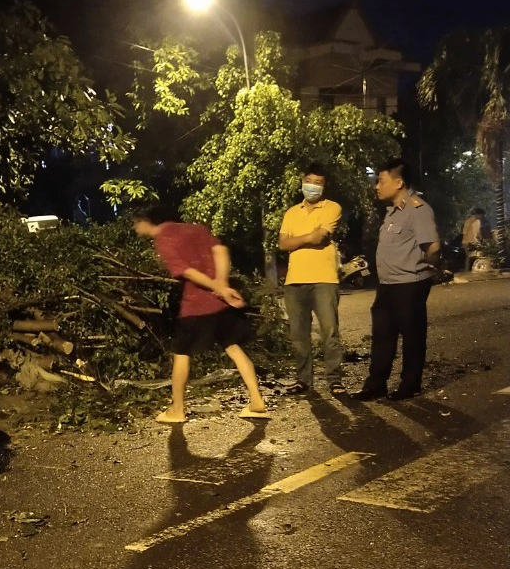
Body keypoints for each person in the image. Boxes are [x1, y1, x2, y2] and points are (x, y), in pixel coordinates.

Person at [131, 205, 269, 423]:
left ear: (144, 221)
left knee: (181, 353)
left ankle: (177, 409)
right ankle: (257, 400)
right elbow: (221, 250)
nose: (136, 230)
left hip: (197, 305)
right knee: (233, 347)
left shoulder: (163, 238)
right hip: (222, 304)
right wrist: (222, 284)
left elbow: (188, 271)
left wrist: (219, 287)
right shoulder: (196, 229)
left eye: (135, 225)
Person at [352, 158, 440, 401]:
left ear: (399, 182)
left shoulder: (417, 209)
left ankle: (410, 384)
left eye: (381, 181)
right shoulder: (393, 211)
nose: (376, 186)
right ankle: (375, 385)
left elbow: (432, 246)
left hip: (410, 283)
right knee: (382, 336)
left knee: (411, 336)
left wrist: (425, 268)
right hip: (389, 284)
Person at [278, 163, 345, 395]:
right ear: (302, 182)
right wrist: (309, 235)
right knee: (298, 335)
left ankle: (334, 379)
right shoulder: (291, 212)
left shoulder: (332, 208)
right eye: (309, 181)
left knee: (330, 332)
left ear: (324, 187)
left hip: (324, 279)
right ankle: (303, 379)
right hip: (294, 281)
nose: (312, 187)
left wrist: (297, 239)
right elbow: (282, 244)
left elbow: (320, 239)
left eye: (318, 183)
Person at [461, 207, 485, 271]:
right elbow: (464, 232)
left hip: (476, 242)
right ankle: (467, 271)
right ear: (477, 214)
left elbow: (478, 232)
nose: (482, 217)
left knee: (478, 257)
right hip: (468, 242)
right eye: (481, 215)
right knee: (468, 258)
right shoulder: (468, 221)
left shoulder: (478, 221)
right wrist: (466, 243)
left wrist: (481, 239)